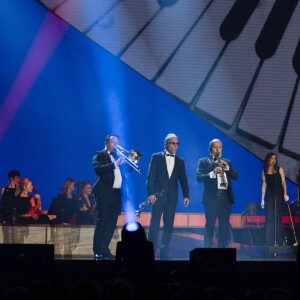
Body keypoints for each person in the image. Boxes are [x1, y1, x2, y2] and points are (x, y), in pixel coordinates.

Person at [147, 133, 189, 259]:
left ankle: (164, 251)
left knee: (169, 225)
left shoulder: (180, 161)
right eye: (173, 143)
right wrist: (150, 194)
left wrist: (186, 195)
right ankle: (150, 251)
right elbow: (150, 177)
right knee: (154, 224)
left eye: (177, 143)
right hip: (158, 197)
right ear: (166, 144)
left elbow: (183, 179)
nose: (176, 146)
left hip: (172, 197)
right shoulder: (156, 157)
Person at [196, 139, 238, 248]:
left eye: (220, 147)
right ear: (210, 149)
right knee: (210, 226)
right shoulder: (204, 161)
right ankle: (207, 252)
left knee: (224, 227)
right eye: (215, 147)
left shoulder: (227, 162)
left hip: (225, 198)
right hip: (212, 198)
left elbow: (235, 176)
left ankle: (222, 253)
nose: (218, 150)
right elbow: (199, 177)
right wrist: (211, 173)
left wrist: (227, 168)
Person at [92, 134, 128, 260]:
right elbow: (98, 169)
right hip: (104, 193)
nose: (116, 145)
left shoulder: (118, 157)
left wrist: (129, 160)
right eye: (114, 142)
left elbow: (129, 171)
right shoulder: (99, 154)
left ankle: (104, 249)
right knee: (102, 222)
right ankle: (97, 250)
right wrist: (115, 164)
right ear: (107, 142)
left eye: (117, 143)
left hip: (116, 194)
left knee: (111, 224)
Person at [261, 152, 289, 246]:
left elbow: (283, 183)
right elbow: (264, 185)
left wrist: (285, 193)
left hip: (278, 195)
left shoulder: (279, 169)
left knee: (277, 217)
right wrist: (262, 199)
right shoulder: (264, 171)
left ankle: (278, 242)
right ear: (268, 159)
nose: (274, 160)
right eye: (272, 158)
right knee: (270, 217)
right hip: (270, 196)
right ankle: (269, 242)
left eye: (275, 159)